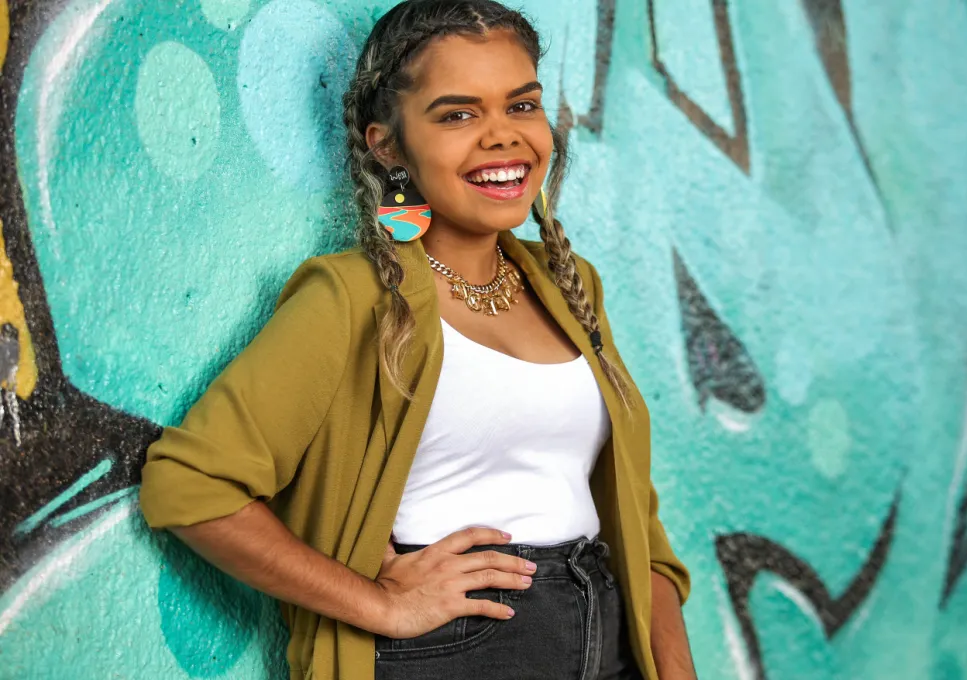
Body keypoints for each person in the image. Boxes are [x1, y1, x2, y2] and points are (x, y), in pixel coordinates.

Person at [138, 1, 694, 678]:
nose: (502, 136)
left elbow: (640, 523)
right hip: (454, 654)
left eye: (521, 106)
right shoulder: (354, 298)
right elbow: (188, 486)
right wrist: (379, 605)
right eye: (457, 114)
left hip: (609, 641)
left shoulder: (572, 286)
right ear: (388, 145)